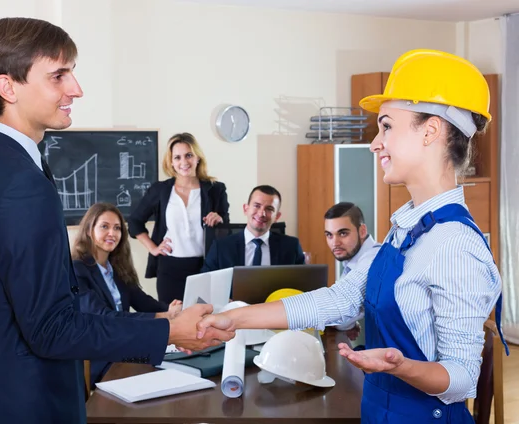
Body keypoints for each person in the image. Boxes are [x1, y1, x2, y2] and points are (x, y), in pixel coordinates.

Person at [0, 18, 232, 424]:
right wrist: (168, 333)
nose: (76, 89)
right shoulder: (20, 184)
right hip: (22, 401)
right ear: (8, 87)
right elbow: (51, 329)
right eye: (59, 75)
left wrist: (158, 318)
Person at [197, 49, 509, 423]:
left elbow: (461, 379)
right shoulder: (406, 229)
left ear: (431, 131)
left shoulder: (455, 245)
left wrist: (401, 366)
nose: (376, 142)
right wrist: (237, 318)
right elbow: (342, 299)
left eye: (387, 126)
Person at [72, 202, 183, 387]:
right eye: (104, 226)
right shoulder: (77, 270)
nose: (112, 233)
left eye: (117, 228)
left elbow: (145, 302)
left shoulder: (117, 269)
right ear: (89, 230)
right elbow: (104, 317)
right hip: (100, 357)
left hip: (125, 346)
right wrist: (164, 316)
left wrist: (176, 310)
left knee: (175, 366)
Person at [128, 132, 229, 303]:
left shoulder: (215, 189)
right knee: (174, 322)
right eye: (177, 157)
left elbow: (227, 229)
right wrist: (153, 248)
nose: (184, 162)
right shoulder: (160, 190)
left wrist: (220, 220)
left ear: (197, 157)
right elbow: (135, 221)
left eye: (189, 155)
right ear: (171, 163)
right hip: (170, 269)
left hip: (206, 267)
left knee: (205, 320)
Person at [201, 185, 304, 272]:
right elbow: (205, 285)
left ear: (277, 216)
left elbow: (303, 286)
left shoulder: (291, 247)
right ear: (246, 209)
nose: (261, 213)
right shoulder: (221, 248)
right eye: (257, 206)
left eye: (269, 209)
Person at [324, 202, 380, 342]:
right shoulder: (352, 261)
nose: (335, 243)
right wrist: (349, 322)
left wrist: (346, 322)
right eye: (329, 235)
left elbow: (338, 314)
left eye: (343, 233)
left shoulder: (374, 259)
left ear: (362, 231)